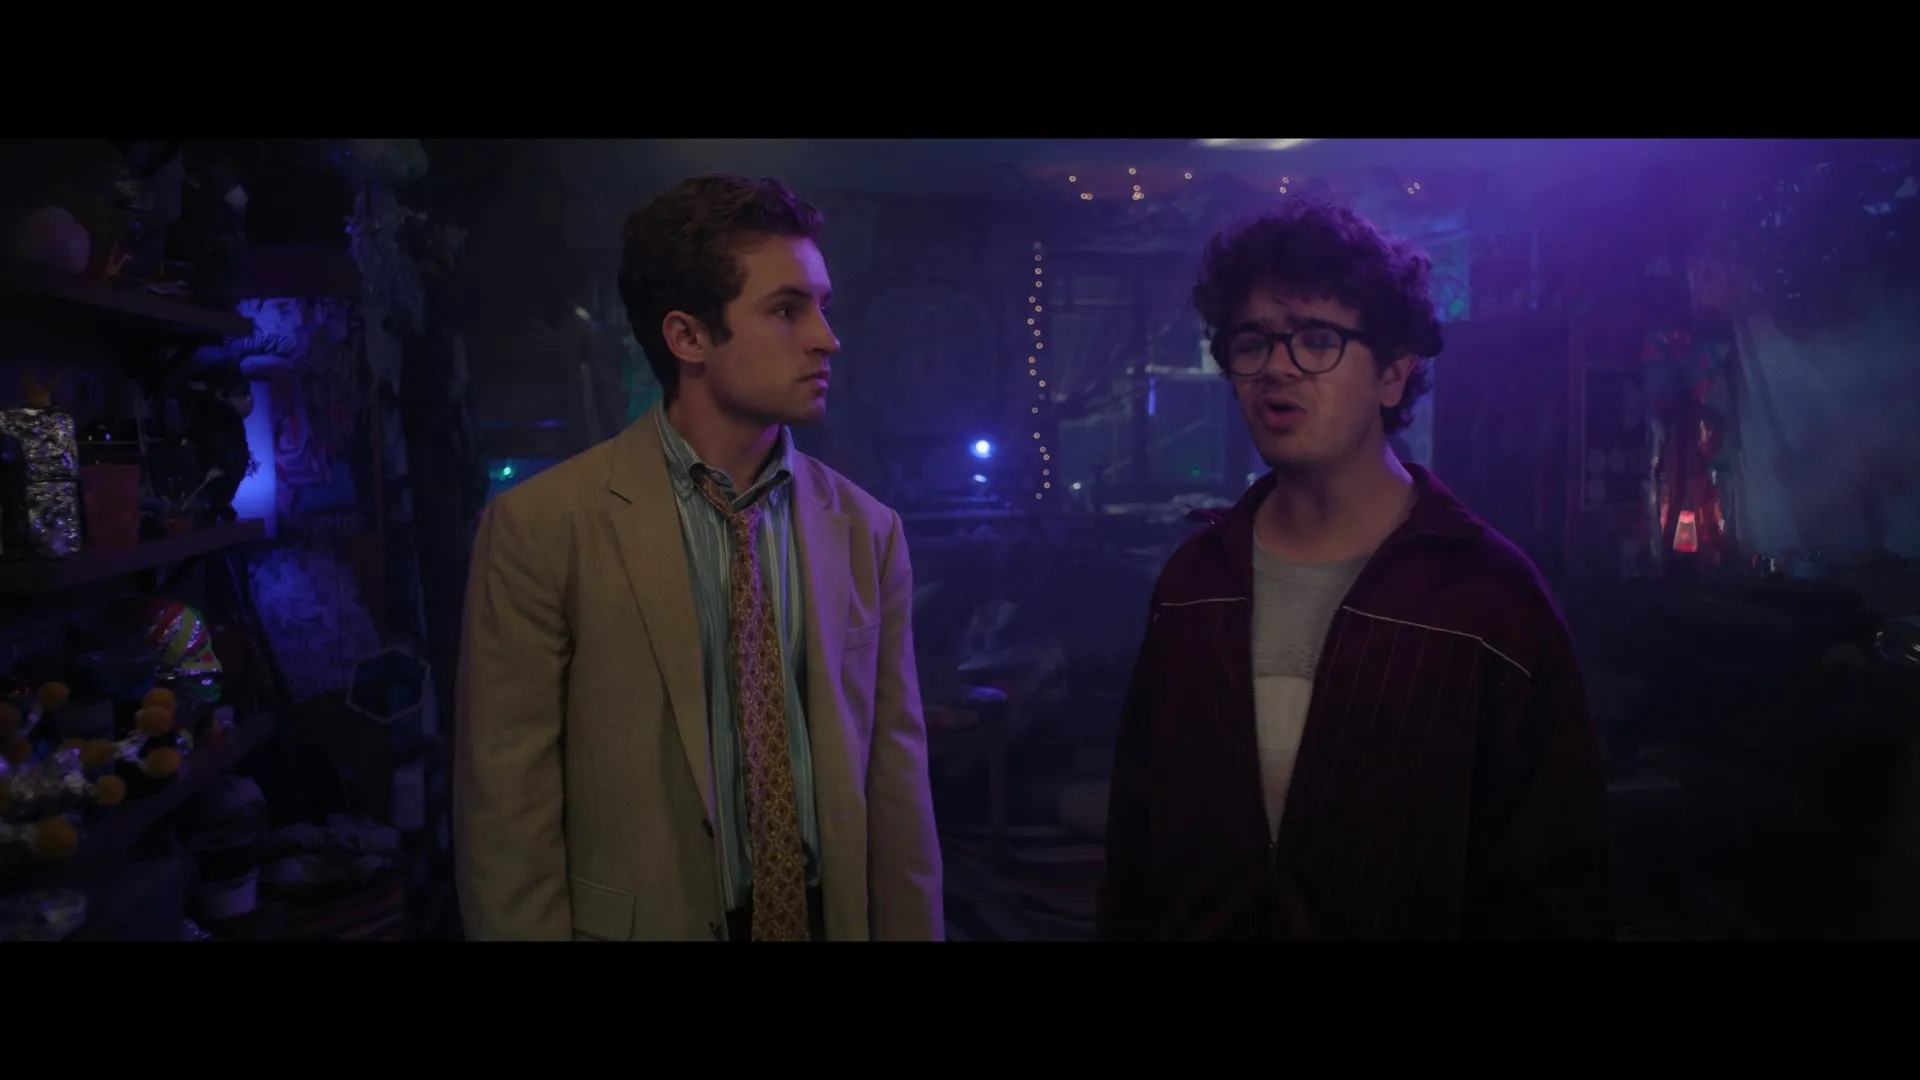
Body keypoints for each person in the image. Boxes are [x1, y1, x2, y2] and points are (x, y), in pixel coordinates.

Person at [1097, 198, 1614, 941]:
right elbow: (1134, 847)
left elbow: (1556, 882)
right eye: (1253, 342)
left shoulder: (1487, 599)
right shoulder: (1193, 583)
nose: (1277, 367)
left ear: (1393, 375)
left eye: (1317, 339)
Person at [454, 174, 943, 941]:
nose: (826, 337)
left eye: (823, 306)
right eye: (786, 309)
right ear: (688, 338)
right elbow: (505, 815)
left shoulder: (867, 531)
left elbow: (898, 788)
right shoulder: (543, 528)